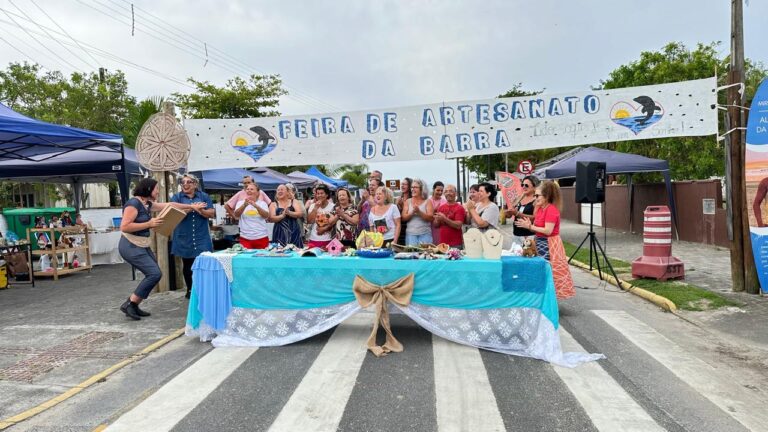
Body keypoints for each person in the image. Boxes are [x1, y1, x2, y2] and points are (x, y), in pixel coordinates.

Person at [119, 178, 206, 320]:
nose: (158, 192)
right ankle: (130, 303)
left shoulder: (147, 203)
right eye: (156, 189)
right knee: (154, 273)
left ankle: (133, 304)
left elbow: (170, 205)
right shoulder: (133, 204)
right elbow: (124, 227)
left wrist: (192, 207)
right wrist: (149, 223)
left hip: (142, 244)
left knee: (155, 274)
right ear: (148, 189)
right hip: (130, 245)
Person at [515, 181, 575, 300]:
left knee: (547, 272)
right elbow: (539, 228)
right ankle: (541, 298)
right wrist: (529, 225)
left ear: (546, 196)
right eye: (535, 195)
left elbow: (548, 230)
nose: (535, 198)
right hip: (540, 242)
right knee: (539, 271)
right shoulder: (541, 209)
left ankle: (546, 299)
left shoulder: (551, 210)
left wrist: (530, 227)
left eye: (537, 195)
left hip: (549, 244)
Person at [170, 174, 215, 299]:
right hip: (184, 236)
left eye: (189, 182)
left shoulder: (203, 196)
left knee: (204, 262)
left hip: (201, 235)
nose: (185, 184)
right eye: (183, 182)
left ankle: (203, 289)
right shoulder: (177, 197)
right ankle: (190, 289)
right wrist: (192, 208)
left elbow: (211, 213)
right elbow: (174, 213)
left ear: (195, 184)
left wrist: (201, 210)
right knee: (188, 264)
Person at [234, 183, 271, 249]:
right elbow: (236, 215)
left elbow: (266, 216)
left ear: (257, 192)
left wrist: (256, 206)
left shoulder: (263, 203)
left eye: (252, 189)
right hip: (245, 238)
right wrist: (244, 205)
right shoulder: (240, 203)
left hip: (261, 237)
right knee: (245, 256)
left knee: (262, 255)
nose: (249, 191)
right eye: (247, 189)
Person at [505, 175, 539, 244]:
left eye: (526, 185)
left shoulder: (537, 200)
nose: (523, 187)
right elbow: (509, 215)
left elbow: (535, 218)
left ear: (534, 187)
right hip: (516, 234)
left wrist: (517, 213)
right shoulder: (519, 198)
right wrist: (507, 213)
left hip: (529, 235)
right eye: (522, 185)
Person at [402, 178, 434, 245]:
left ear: (422, 189)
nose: (412, 189)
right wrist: (412, 212)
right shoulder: (408, 201)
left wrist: (419, 212)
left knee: (425, 252)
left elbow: (431, 218)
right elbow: (403, 218)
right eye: (412, 187)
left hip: (425, 235)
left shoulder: (428, 201)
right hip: (410, 235)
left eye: (415, 187)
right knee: (411, 252)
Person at [433, 184, 466, 248]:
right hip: (442, 243)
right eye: (446, 191)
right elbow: (436, 225)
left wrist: (444, 218)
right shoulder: (441, 208)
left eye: (450, 191)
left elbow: (458, 225)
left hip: (455, 244)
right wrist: (436, 220)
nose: (448, 193)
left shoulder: (459, 208)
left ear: (455, 193)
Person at [306, 184, 335, 248]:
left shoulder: (333, 206)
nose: (319, 195)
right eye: (318, 193)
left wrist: (324, 229)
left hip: (329, 239)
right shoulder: (313, 206)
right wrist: (315, 208)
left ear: (327, 195)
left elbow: (333, 223)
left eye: (322, 193)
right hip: (314, 238)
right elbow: (309, 221)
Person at [396, 177, 412, 245]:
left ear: (410, 186)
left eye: (405, 184)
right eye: (402, 184)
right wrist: (398, 206)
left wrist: (402, 206)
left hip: (409, 228)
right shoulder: (399, 199)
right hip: (400, 228)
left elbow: (410, 214)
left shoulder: (412, 199)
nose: (402, 186)